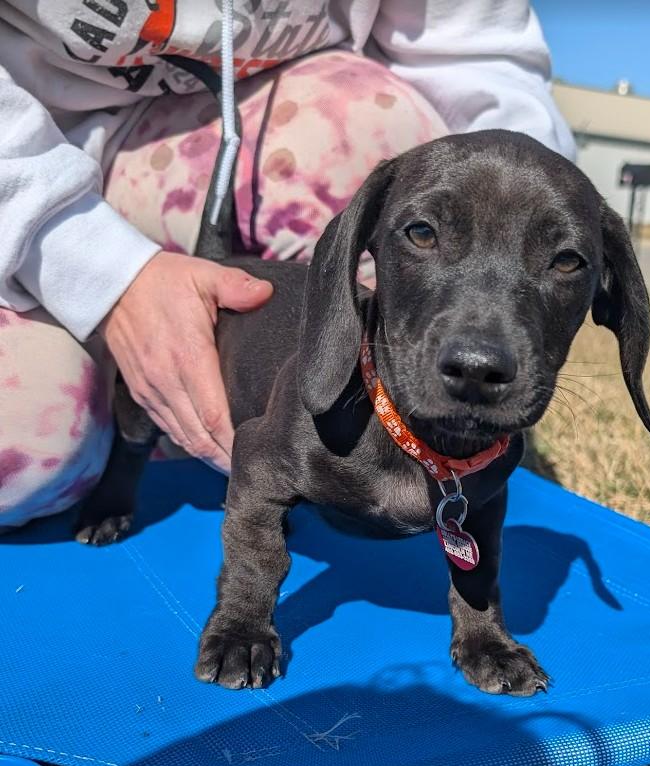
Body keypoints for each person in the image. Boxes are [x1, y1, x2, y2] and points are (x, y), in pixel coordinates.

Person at [0, 1, 575, 530]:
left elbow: (479, 56)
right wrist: (107, 274)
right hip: (31, 156)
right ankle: (147, 398)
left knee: (373, 128)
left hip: (277, 121)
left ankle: (351, 443)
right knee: (28, 454)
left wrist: (514, 268)